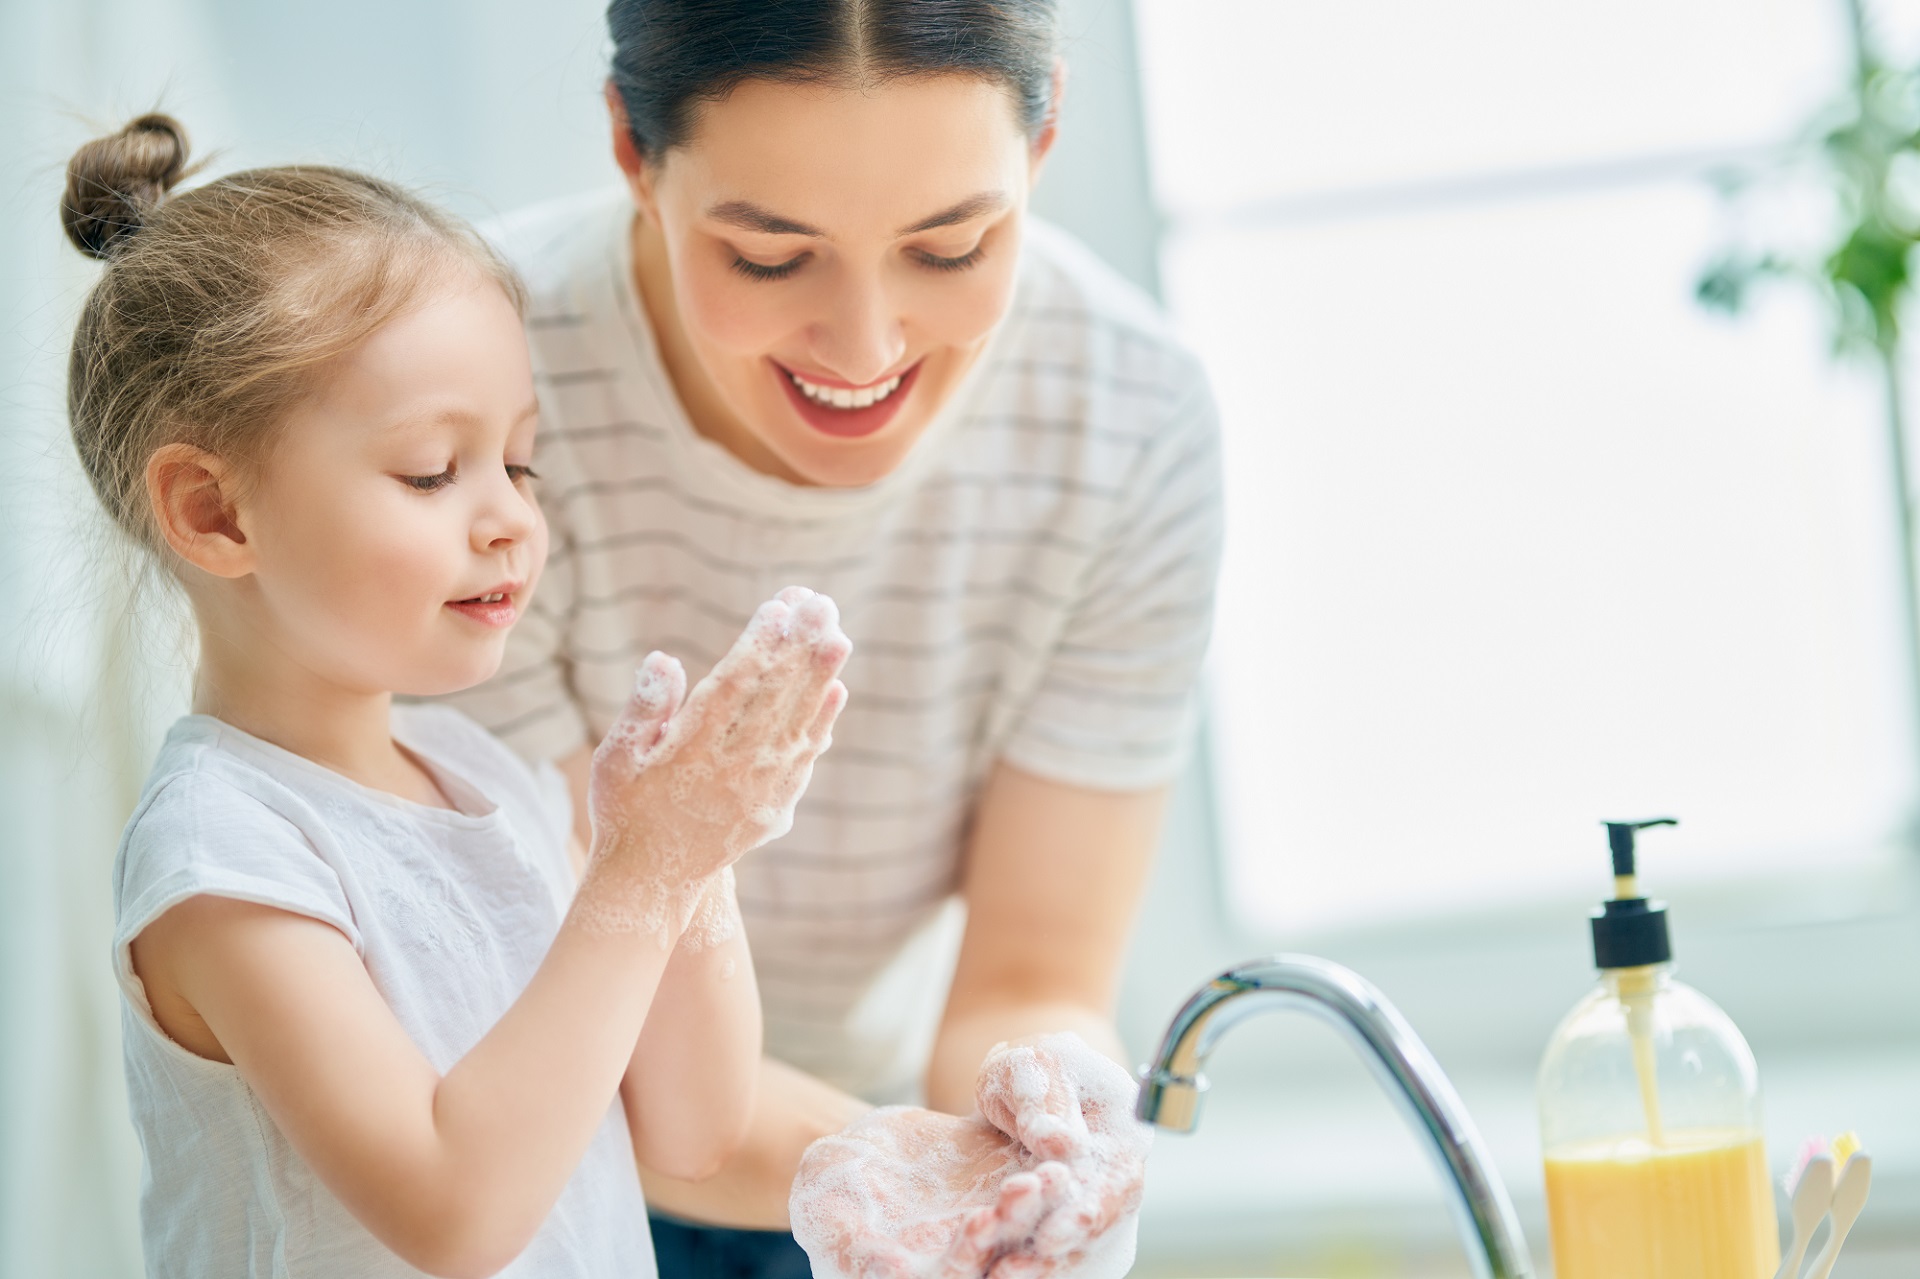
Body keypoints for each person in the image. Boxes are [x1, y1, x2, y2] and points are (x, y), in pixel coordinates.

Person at [440, 1, 1225, 1274]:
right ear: (633, 151)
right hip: (514, 1147)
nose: (866, 347)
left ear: (1045, 140)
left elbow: (1032, 967)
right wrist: (913, 1174)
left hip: (855, 1140)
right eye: (767, 258)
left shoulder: (1129, 422)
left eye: (953, 244)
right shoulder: (467, 385)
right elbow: (558, 1010)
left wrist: (1042, 1150)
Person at [65, 113, 851, 1278]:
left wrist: (695, 857)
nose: (511, 518)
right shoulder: (222, 855)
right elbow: (454, 1212)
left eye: (519, 462)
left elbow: (690, 1128)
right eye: (435, 469)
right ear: (214, 514)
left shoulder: (480, 774)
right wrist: (639, 875)